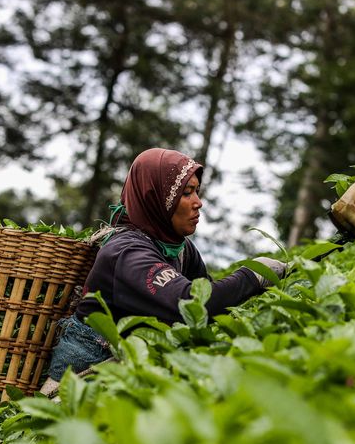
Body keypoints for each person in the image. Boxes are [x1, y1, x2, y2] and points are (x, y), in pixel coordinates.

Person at [41, 148, 285, 394]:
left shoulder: (180, 248)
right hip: (76, 386)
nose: (198, 202)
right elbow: (193, 304)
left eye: (197, 191)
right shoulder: (126, 252)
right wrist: (252, 275)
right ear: (154, 198)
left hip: (126, 378)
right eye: (186, 193)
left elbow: (212, 298)